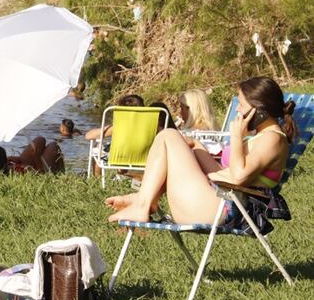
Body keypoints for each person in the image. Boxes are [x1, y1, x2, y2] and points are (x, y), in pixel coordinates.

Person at [107, 76, 295, 227]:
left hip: (221, 208)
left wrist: (237, 137)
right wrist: (196, 145)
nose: (238, 109)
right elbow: (224, 173)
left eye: (241, 104)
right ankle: (146, 199)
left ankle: (143, 203)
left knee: (168, 135)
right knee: (180, 141)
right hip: (212, 200)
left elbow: (238, 178)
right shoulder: (259, 137)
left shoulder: (272, 139)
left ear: (259, 110)